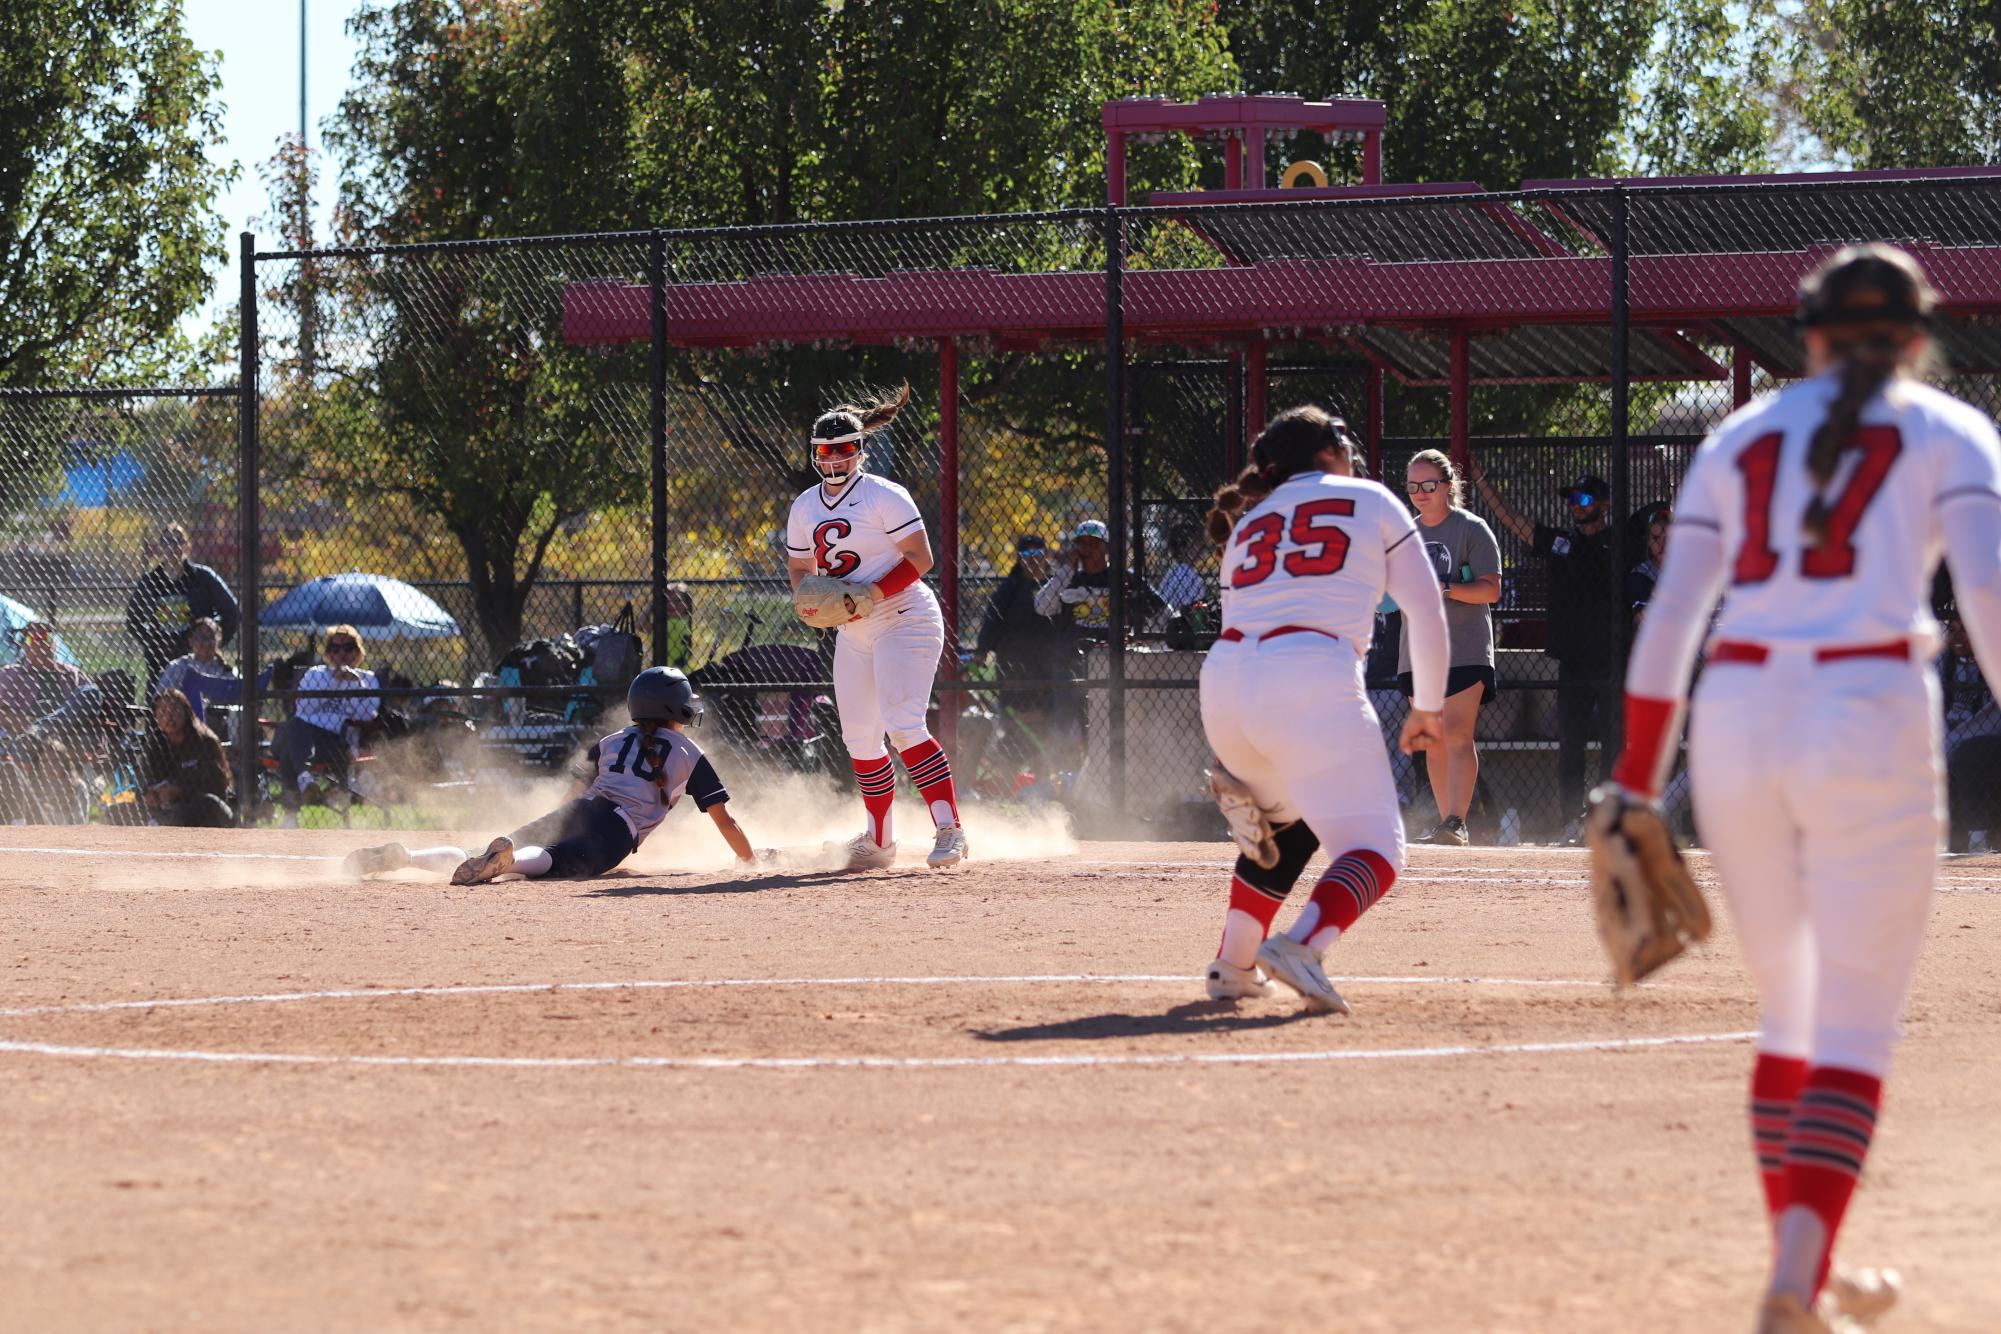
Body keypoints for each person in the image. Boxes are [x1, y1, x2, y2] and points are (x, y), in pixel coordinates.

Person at [1603, 244, 1999, 1332]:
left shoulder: (1740, 435)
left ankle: (1808, 1269)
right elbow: (1992, 599)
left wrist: (1639, 780)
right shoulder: (1952, 431)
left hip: (1736, 715)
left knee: (1793, 1012)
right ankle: (1793, 1279)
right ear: (1916, 339)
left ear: (1810, 337)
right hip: (1868, 701)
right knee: (1858, 1023)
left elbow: (1674, 618)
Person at [1198, 405, 1447, 1015]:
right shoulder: (1371, 497)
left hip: (1225, 684)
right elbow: (1428, 610)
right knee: (1377, 849)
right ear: (1330, 449)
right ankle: (1303, 945)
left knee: (1294, 828)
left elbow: (1238, 621)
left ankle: (1233, 966)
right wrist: (1429, 708)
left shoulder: (1249, 520)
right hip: (1309, 673)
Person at [784, 383, 969, 870]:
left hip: (903, 614)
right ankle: (880, 840)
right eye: (825, 450)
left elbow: (921, 558)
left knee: (903, 725)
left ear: (860, 451)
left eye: (844, 449)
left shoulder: (885, 494)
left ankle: (950, 829)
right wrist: (809, 603)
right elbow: (800, 572)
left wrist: (871, 593)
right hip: (854, 626)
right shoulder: (804, 506)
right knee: (860, 737)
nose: (834, 458)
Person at [344, 667, 754, 881]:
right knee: (550, 861)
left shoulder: (610, 740)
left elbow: (573, 793)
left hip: (582, 807)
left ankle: (409, 857)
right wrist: (748, 860)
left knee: (484, 853)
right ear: (675, 709)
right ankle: (507, 863)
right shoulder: (689, 752)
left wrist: (557, 822)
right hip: (615, 830)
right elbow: (726, 821)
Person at [1472, 463, 1620, 839]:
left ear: (1603, 504)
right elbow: (1514, 522)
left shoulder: (1618, 544)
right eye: (1571, 498)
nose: (1575, 505)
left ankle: (1606, 821)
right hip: (1571, 660)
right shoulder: (1561, 544)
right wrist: (1484, 486)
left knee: (1613, 742)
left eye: (1583, 498)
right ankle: (1572, 820)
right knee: (1570, 744)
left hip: (1612, 660)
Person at [1397, 449, 1503, 845]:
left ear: (1448, 486)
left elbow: (1491, 590)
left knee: (1458, 733)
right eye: (1412, 486)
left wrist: (1443, 587)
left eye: (1428, 485)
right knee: (1435, 738)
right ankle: (1448, 824)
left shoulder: (1472, 529)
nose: (1420, 493)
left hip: (1464, 647)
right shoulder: (1403, 534)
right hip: (1417, 652)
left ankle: (1458, 819)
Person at [275, 624, 379, 828]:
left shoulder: (367, 679)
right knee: (296, 730)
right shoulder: (317, 674)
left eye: (348, 647)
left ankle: (291, 812)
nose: (341, 653)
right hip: (306, 739)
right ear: (328, 652)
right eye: (335, 648)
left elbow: (367, 714)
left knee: (290, 739)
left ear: (358, 651)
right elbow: (303, 707)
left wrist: (355, 683)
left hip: (338, 743)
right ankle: (304, 777)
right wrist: (333, 682)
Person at [0, 620, 104, 823]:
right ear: (23, 645)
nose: (40, 643)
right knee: (24, 742)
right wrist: (20, 722)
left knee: (92, 692)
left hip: (65, 741)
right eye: (32, 638)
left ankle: (42, 728)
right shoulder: (8, 674)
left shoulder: (72, 674)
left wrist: (43, 727)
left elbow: (91, 706)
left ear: (54, 644)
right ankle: (38, 730)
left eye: (46, 638)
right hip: (24, 744)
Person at [124, 522, 238, 694]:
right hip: (160, 661)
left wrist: (212, 640)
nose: (173, 546)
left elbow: (232, 612)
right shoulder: (150, 582)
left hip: (197, 660)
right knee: (160, 709)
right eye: (167, 541)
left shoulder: (203, 578)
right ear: (160, 547)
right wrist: (150, 642)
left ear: (187, 546)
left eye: (178, 541)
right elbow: (133, 619)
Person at [1033, 518, 1168, 647]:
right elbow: (1041, 607)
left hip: (1114, 659)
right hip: (1073, 662)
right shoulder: (1069, 579)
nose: (1088, 548)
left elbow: (1163, 612)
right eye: (1082, 544)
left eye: (1094, 543)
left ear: (1106, 548)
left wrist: (1148, 640)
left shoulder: (1124, 578)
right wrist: (1066, 569)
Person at [974, 533, 1061, 707]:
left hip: (1047, 662)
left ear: (1046, 555)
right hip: (1014, 660)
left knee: (1047, 710)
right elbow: (992, 619)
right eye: (1026, 555)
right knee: (1017, 712)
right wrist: (982, 649)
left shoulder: (1055, 585)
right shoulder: (1010, 587)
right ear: (1019, 560)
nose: (1032, 558)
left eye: (1037, 552)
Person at [140, 689, 233, 827]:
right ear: (156, 717)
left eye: (174, 710)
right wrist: (151, 794)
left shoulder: (204, 740)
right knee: (119, 809)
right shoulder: (155, 742)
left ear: (186, 712)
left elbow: (217, 785)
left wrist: (180, 792)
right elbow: (144, 779)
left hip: (205, 810)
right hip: (165, 808)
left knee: (203, 803)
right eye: (163, 711)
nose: (169, 716)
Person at [154, 616, 236, 702]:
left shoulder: (225, 670)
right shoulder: (178, 667)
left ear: (218, 641)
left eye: (211, 637)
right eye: (201, 637)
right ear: (191, 641)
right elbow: (160, 698)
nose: (206, 642)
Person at [1626, 501, 1674, 622]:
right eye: (1656, 538)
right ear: (1648, 541)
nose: (1663, 544)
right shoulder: (1641, 574)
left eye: (1669, 538)